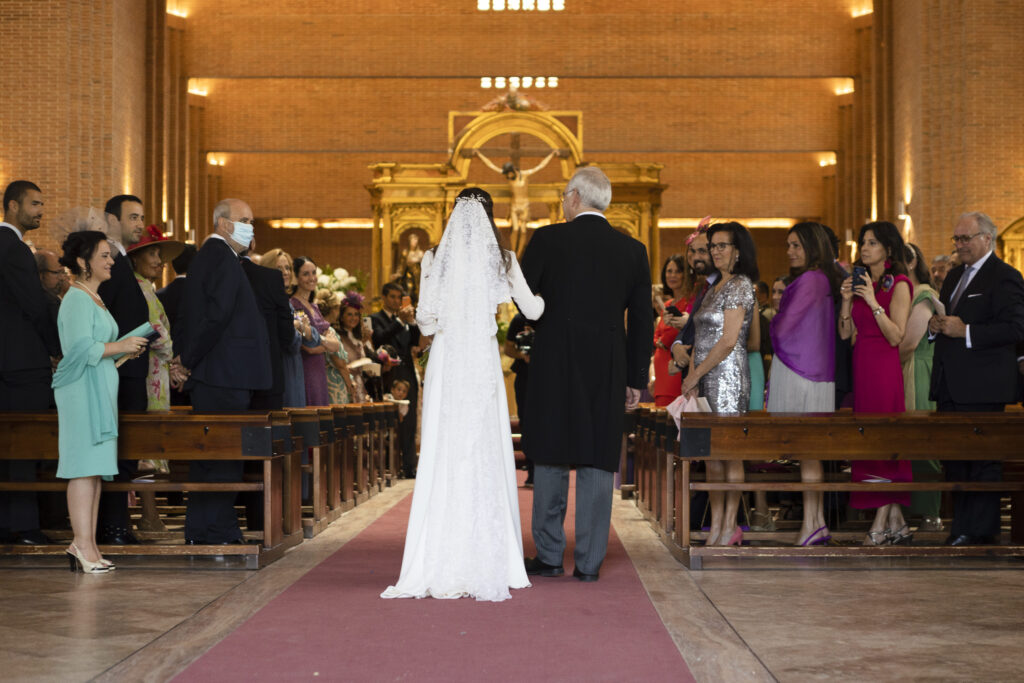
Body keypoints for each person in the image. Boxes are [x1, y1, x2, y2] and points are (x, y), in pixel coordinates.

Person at [381, 187, 544, 601]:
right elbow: (535, 309)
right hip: (482, 361)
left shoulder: (437, 257)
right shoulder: (502, 258)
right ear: (491, 217)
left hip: (450, 362)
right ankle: (491, 553)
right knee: (483, 447)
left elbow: (425, 319)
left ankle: (440, 551)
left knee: (445, 447)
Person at [521, 167, 652, 582]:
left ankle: (549, 554)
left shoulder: (547, 239)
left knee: (551, 453)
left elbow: (524, 300)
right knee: (598, 457)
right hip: (608, 366)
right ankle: (590, 562)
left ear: (575, 196)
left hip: (553, 364)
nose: (562, 204)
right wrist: (635, 378)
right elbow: (643, 322)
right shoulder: (633, 250)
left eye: (563, 196)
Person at [174, 198, 272, 545]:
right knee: (220, 458)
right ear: (224, 224)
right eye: (245, 220)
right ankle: (214, 530)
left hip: (223, 374)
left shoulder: (219, 258)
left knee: (216, 458)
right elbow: (213, 318)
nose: (250, 226)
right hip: (223, 375)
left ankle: (207, 528)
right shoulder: (219, 258)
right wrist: (188, 359)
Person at [53, 230, 148, 572]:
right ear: (82, 262)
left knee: (93, 470)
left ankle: (88, 545)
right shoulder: (76, 298)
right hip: (81, 392)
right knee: (82, 468)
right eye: (104, 255)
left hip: (99, 387)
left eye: (111, 255)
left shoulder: (95, 297)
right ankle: (81, 544)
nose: (111, 261)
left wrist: (123, 351)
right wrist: (121, 346)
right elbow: (77, 350)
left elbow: (96, 348)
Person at [929, 211, 1024, 546]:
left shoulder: (1005, 276)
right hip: (951, 383)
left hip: (983, 385)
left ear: (987, 239)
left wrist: (966, 331)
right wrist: (935, 328)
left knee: (982, 460)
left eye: (965, 238)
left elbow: (1015, 328)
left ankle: (980, 531)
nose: (959, 245)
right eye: (956, 239)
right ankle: (961, 527)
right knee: (956, 459)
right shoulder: (955, 276)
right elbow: (947, 319)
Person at [680, 222, 758, 546]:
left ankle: (730, 526)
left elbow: (728, 340)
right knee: (711, 456)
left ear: (738, 251)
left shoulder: (740, 284)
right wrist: (693, 377)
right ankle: (716, 525)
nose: (715, 251)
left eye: (722, 245)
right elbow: (699, 336)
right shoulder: (712, 287)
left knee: (730, 453)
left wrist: (697, 373)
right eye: (712, 245)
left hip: (728, 375)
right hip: (706, 375)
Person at [767, 222, 843, 546]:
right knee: (809, 452)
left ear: (812, 247)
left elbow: (783, 328)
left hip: (802, 372)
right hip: (813, 371)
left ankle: (813, 524)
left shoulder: (811, 279)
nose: (790, 251)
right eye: (788, 245)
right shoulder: (823, 278)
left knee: (808, 452)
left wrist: (771, 321)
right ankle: (817, 523)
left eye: (796, 245)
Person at [839, 221, 913, 546]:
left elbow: (896, 335)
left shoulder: (899, 284)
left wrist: (872, 300)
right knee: (867, 442)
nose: (864, 248)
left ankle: (881, 523)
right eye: (862, 242)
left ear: (888, 249)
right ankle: (897, 523)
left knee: (884, 443)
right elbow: (845, 334)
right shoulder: (861, 283)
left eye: (871, 242)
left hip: (884, 369)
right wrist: (845, 301)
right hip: (863, 366)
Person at [0, 180, 60, 545]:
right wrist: (56, 347)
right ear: (11, 206)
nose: (40, 210)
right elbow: (34, 305)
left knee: (7, 444)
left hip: (7, 363)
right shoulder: (14, 248)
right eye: (34, 204)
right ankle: (21, 525)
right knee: (24, 445)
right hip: (22, 365)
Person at [94, 194, 149, 545]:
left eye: (142, 217)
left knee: (127, 450)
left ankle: (115, 524)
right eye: (132, 217)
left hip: (130, 367)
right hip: (118, 369)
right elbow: (106, 314)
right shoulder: (108, 260)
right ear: (111, 220)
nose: (140, 224)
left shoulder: (122, 259)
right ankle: (112, 526)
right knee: (118, 451)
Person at [127, 225, 184, 533]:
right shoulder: (138, 288)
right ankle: (149, 514)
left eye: (160, 255)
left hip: (156, 374)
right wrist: (175, 357)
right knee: (147, 444)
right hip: (148, 373)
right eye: (152, 253)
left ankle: (151, 513)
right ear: (135, 258)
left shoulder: (146, 287)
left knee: (152, 443)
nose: (159, 260)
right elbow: (153, 331)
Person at [900, 243, 944, 531]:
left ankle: (929, 512)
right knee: (900, 443)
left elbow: (909, 343)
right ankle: (902, 508)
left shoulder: (924, 294)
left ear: (912, 261)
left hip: (916, 369)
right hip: (901, 369)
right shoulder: (901, 293)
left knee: (921, 441)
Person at [372, 282, 421, 477]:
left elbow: (417, 341)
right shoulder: (375, 318)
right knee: (390, 423)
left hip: (407, 373)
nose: (395, 301)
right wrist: (400, 322)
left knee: (409, 421)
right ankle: (388, 466)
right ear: (383, 297)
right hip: (388, 375)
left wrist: (412, 322)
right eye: (391, 297)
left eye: (398, 298)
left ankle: (409, 466)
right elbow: (379, 339)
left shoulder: (406, 320)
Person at [260, 247, 319, 408]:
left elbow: (312, 338)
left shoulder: (285, 300)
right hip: (281, 365)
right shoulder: (272, 300)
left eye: (288, 268)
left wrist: (300, 328)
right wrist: (298, 326)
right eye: (279, 268)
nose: (285, 272)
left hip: (294, 365)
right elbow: (290, 341)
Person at [475, 147, 559, 256]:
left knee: (523, 231)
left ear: (513, 171)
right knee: (515, 229)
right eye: (507, 175)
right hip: (514, 205)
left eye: (509, 174)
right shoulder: (509, 177)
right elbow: (491, 166)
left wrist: (552, 154)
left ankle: (519, 253)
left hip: (524, 205)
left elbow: (540, 166)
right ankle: (513, 252)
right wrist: (479, 154)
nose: (508, 177)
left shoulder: (525, 174)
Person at [292, 256, 341, 407]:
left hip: (319, 370)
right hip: (305, 369)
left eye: (313, 273)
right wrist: (325, 343)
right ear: (296, 277)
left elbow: (336, 346)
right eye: (306, 274)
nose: (311, 278)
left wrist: (319, 342)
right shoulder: (294, 305)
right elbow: (307, 347)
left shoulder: (315, 307)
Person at [652, 254, 692, 406]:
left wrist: (663, 340)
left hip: (675, 369)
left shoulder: (689, 302)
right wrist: (660, 341)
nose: (672, 275)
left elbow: (676, 333)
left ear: (685, 275)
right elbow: (657, 335)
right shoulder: (667, 304)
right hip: (661, 370)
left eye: (677, 271)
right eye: (669, 271)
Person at [504, 312, 535, 486]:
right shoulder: (519, 319)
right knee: (527, 423)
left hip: (547, 375)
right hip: (524, 376)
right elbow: (508, 348)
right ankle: (531, 471)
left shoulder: (550, 312)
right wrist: (522, 355)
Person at [316, 288, 357, 405]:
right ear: (333, 309)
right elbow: (340, 364)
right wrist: (350, 385)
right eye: (338, 308)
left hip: (325, 379)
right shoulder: (329, 331)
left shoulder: (318, 327)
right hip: (335, 382)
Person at [338, 293, 375, 403]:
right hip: (346, 385)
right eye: (349, 314)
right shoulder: (338, 337)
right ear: (342, 317)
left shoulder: (358, 338)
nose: (353, 318)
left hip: (360, 386)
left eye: (356, 315)